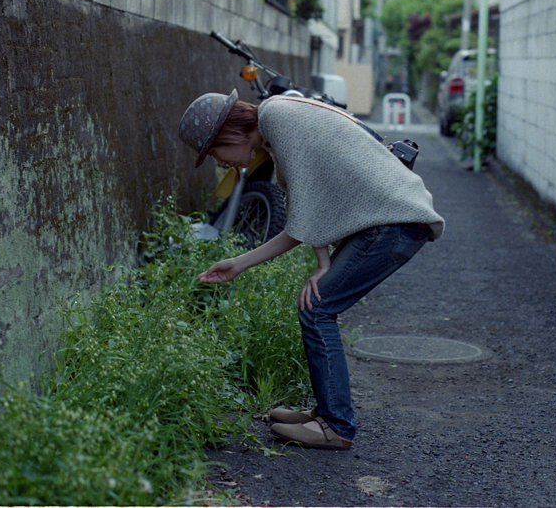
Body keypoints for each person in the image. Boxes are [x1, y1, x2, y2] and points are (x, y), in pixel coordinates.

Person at [178, 89, 444, 450]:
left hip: (393, 224)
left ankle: (336, 425)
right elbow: (303, 214)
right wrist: (237, 265)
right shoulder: (276, 128)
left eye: (213, 152)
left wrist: (323, 265)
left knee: (318, 308)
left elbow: (308, 204)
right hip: (390, 221)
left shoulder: (277, 118)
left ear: (229, 133)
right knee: (316, 306)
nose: (220, 163)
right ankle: (325, 413)